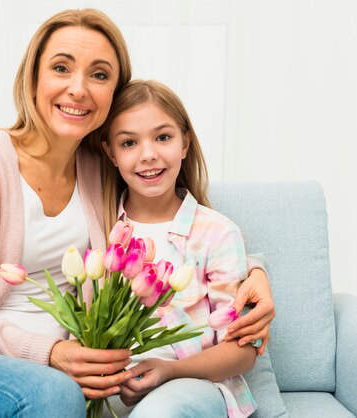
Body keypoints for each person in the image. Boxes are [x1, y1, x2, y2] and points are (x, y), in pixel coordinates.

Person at [0, 9, 274, 418]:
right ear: (33, 80)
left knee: (63, 396)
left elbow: (172, 230)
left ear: (112, 96)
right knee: (55, 396)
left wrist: (255, 274)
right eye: (61, 68)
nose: (78, 89)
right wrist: (49, 353)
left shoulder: (103, 168)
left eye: (99, 75)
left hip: (74, 378)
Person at [97, 79, 260, 417]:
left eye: (163, 137)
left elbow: (244, 351)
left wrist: (169, 371)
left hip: (191, 384)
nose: (148, 154)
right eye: (129, 142)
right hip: (110, 386)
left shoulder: (217, 232)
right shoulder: (100, 228)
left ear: (185, 142)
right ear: (110, 153)